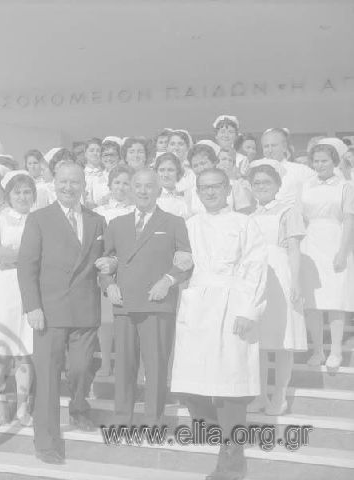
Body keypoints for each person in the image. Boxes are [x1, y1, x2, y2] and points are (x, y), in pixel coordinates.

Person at [171, 168, 267, 480]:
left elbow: (255, 267)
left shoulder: (244, 223)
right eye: (204, 188)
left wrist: (247, 310)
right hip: (198, 308)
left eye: (216, 186)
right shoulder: (190, 225)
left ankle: (232, 462)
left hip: (232, 306)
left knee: (230, 389)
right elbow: (179, 263)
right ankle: (223, 437)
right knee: (191, 389)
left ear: (227, 188)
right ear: (197, 192)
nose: (210, 192)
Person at [17, 162, 106, 464]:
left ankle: (79, 407)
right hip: (50, 312)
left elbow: (105, 260)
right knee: (48, 379)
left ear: (84, 185)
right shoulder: (39, 219)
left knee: (82, 369)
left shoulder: (97, 220)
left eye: (75, 182)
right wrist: (32, 307)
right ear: (54, 183)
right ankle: (46, 441)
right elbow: (26, 266)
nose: (69, 187)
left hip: (85, 310)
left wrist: (112, 268)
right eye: (63, 182)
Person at [99, 168, 192, 427]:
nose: (142, 191)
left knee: (156, 368)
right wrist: (108, 286)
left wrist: (168, 280)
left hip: (157, 305)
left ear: (159, 190)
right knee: (124, 368)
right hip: (124, 305)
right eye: (137, 186)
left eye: (149, 186)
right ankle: (121, 422)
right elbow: (106, 263)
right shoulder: (117, 224)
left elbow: (186, 262)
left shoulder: (174, 223)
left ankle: (154, 424)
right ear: (130, 189)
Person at [248, 162, 307, 416]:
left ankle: (280, 394)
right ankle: (260, 395)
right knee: (258, 341)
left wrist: (295, 282)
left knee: (284, 339)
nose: (261, 187)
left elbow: (294, 249)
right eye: (257, 183)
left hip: (281, 275)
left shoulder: (288, 211)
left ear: (277, 186)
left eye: (266, 182)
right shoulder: (249, 216)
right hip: (257, 278)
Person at [0, 171, 36, 426]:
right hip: (4, 288)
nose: (22, 197)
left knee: (25, 350)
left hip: (31, 288)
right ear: (8, 195)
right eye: (17, 192)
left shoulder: (40, 220)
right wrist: (24, 256)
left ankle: (23, 408)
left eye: (27, 192)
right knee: (0, 349)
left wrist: (13, 254)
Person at [300, 142, 354, 369]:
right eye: (316, 161)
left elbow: (349, 218)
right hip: (310, 244)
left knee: (335, 300)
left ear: (334, 161)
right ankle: (318, 350)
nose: (320, 165)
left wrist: (343, 251)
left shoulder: (345, 186)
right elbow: (300, 217)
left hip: (335, 241)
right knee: (312, 302)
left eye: (324, 160)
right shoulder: (306, 186)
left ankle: (336, 351)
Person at [94, 165, 135, 376]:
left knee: (128, 318)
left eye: (126, 183)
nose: (121, 187)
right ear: (109, 185)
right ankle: (105, 363)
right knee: (106, 320)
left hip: (129, 268)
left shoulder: (136, 210)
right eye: (117, 182)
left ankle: (128, 365)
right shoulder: (100, 212)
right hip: (106, 270)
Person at [259, 128, 315, 205]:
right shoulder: (253, 170)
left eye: (274, 145)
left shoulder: (302, 171)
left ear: (284, 147)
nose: (270, 150)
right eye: (266, 146)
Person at [217, 148, 255, 214]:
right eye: (224, 159)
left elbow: (244, 209)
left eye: (230, 160)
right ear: (216, 162)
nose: (227, 163)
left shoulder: (237, 183)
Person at [186, 143, 219, 216]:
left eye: (203, 163)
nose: (200, 169)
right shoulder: (189, 192)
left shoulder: (232, 185)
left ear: (214, 162)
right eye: (195, 166)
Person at [154, 152, 190, 218]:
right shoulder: (151, 198)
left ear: (178, 172)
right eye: (161, 170)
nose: (166, 175)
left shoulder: (186, 196)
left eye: (170, 170)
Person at [166, 130, 197, 196]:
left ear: (187, 147)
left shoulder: (193, 171)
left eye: (180, 144)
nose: (176, 148)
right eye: (172, 144)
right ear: (167, 147)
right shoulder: (157, 169)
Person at [84, 138, 109, 208]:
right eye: (91, 150)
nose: (95, 153)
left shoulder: (107, 176)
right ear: (85, 153)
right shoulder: (79, 175)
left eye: (98, 151)